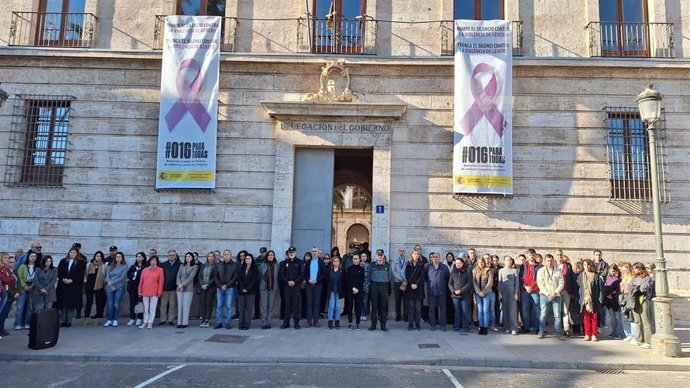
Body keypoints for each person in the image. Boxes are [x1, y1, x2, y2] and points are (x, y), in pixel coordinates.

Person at [536, 254, 564, 340]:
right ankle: (541, 332)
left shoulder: (558, 270)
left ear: (553, 261)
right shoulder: (540, 271)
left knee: (557, 315)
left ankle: (557, 333)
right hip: (544, 295)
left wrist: (555, 292)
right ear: (545, 261)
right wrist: (548, 294)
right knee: (543, 314)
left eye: (551, 260)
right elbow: (540, 284)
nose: (550, 262)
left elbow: (561, 283)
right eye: (548, 261)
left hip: (556, 295)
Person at [56, 248, 86, 327]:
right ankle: (63, 321)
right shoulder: (63, 261)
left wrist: (72, 280)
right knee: (63, 304)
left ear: (77, 254)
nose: (72, 254)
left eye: (74, 253)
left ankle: (69, 321)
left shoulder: (80, 262)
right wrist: (63, 279)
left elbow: (80, 274)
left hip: (74, 286)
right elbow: (59, 271)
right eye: (71, 252)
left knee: (71, 304)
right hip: (63, 285)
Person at [577, 259, 604, 341]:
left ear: (591, 265)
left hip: (594, 299)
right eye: (585, 264)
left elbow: (601, 288)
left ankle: (594, 334)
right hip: (585, 299)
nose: (587, 266)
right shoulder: (580, 276)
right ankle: (587, 334)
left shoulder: (596, 275)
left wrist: (600, 298)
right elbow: (578, 287)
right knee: (586, 317)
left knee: (594, 317)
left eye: (588, 264)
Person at [629, 262, 653, 349]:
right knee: (637, 320)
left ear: (640, 268)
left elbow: (644, 288)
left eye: (635, 268)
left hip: (643, 299)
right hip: (635, 299)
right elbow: (630, 287)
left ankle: (648, 341)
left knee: (645, 320)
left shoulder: (647, 278)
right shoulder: (634, 278)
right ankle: (639, 339)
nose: (633, 270)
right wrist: (636, 287)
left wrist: (637, 287)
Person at [425, 252, 450, 331]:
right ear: (431, 258)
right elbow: (425, 277)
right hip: (432, 291)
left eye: (436, 257)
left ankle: (443, 325)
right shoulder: (428, 267)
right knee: (431, 309)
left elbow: (448, 278)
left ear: (440, 258)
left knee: (442, 309)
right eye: (433, 257)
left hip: (442, 292)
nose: (434, 258)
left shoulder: (444, 267)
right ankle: (432, 324)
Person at [280, 246, 304, 329]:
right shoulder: (284, 262)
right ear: (288, 253)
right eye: (290, 252)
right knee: (287, 305)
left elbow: (302, 274)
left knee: (296, 305)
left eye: (293, 252)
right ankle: (286, 323)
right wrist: (288, 281)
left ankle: (296, 323)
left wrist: (295, 281)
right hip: (287, 286)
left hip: (296, 286)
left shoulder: (300, 262)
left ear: (295, 253)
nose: (291, 253)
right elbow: (282, 274)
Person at [448, 255, 473, 335]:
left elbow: (469, 283)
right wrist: (454, 291)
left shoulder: (467, 271)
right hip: (455, 296)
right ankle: (457, 327)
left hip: (465, 295)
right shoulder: (453, 272)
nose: (458, 264)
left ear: (463, 263)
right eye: (456, 263)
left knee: (465, 312)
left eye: (459, 263)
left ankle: (466, 328)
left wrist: (461, 291)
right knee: (457, 312)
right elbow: (449, 283)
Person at [368, 249, 391, 331]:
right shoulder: (372, 265)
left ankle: (383, 326)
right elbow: (369, 276)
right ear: (376, 256)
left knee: (383, 307)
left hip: (383, 286)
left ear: (383, 256)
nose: (380, 257)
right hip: (374, 286)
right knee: (374, 307)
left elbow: (389, 278)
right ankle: (373, 326)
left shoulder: (387, 265)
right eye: (378, 255)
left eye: (381, 255)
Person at [138, 255, 164, 329]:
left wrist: (159, 292)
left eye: (155, 260)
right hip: (145, 291)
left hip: (154, 292)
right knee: (146, 308)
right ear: (149, 261)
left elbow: (161, 282)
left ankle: (150, 322)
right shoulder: (145, 270)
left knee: (152, 308)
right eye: (152, 260)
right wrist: (139, 291)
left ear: (157, 262)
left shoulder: (160, 270)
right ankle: (145, 322)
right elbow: (141, 281)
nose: (153, 262)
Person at [14, 250, 38, 330]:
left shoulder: (37, 267)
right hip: (23, 288)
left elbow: (37, 278)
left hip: (32, 287)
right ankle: (18, 323)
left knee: (29, 307)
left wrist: (32, 285)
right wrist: (24, 286)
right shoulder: (23, 266)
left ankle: (27, 323)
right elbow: (19, 277)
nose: (33, 258)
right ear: (28, 257)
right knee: (20, 306)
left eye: (35, 256)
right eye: (31, 256)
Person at [518, 249, 541, 333]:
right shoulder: (523, 265)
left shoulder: (539, 266)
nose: (531, 256)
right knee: (525, 310)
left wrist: (532, 287)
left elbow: (539, 279)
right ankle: (526, 327)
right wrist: (526, 287)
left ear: (535, 255)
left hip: (535, 291)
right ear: (527, 255)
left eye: (533, 255)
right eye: (530, 255)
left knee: (536, 310)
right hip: (525, 291)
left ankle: (537, 328)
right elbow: (520, 278)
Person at [214, 249, 238, 329]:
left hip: (229, 288)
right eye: (224, 254)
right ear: (222, 256)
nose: (226, 256)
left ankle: (228, 322)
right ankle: (219, 322)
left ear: (231, 255)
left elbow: (235, 278)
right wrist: (220, 286)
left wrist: (226, 286)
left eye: (228, 254)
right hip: (219, 288)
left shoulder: (234, 265)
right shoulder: (219, 265)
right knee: (219, 306)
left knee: (228, 306)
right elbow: (215, 276)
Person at [104, 251, 128, 327]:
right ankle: (109, 320)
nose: (118, 258)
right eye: (117, 257)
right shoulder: (111, 265)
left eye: (120, 257)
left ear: (122, 258)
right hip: (109, 287)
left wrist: (112, 283)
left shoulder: (124, 266)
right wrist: (109, 284)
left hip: (119, 287)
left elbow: (122, 277)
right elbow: (107, 276)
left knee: (116, 304)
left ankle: (115, 319)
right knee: (110, 304)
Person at [473, 255, 495, 335]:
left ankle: (485, 327)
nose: (481, 263)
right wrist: (478, 292)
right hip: (478, 293)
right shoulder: (475, 270)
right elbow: (474, 282)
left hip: (487, 293)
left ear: (484, 262)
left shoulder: (488, 270)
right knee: (480, 310)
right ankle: (481, 327)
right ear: (477, 263)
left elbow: (490, 283)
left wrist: (484, 292)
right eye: (479, 262)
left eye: (482, 262)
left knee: (485, 310)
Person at [175, 252, 198, 329]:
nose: (187, 258)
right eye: (186, 256)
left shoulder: (195, 267)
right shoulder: (182, 266)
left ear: (192, 258)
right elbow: (178, 275)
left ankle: (184, 322)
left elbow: (191, 277)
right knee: (180, 305)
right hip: (179, 288)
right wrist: (178, 283)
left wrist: (183, 284)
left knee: (186, 306)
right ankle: (179, 322)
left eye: (189, 256)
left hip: (188, 288)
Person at [304, 248, 326, 327]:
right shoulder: (308, 262)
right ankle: (309, 321)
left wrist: (317, 280)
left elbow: (324, 274)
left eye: (315, 251)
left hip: (318, 285)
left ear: (318, 253)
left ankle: (316, 321)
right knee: (309, 303)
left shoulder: (321, 263)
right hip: (309, 285)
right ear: (311, 252)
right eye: (313, 251)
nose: (314, 253)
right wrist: (308, 280)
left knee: (317, 303)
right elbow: (304, 273)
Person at [84, 251, 107, 325]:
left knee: (99, 303)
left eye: (100, 256)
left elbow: (105, 276)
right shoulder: (89, 265)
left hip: (99, 286)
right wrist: (85, 282)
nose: (98, 257)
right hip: (89, 285)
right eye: (97, 256)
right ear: (94, 256)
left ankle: (98, 319)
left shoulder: (104, 266)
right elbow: (85, 275)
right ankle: (86, 319)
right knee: (89, 302)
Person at [556, 251, 576, 337]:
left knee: (565, 310)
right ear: (555, 256)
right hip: (556, 291)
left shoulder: (568, 265)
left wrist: (572, 291)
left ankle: (566, 329)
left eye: (560, 254)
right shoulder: (553, 265)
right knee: (556, 311)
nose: (559, 256)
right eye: (557, 255)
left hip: (566, 290)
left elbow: (571, 278)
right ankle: (556, 329)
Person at [236, 253, 258, 330]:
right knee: (241, 308)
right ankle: (241, 324)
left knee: (248, 309)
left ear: (252, 260)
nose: (247, 260)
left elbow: (254, 280)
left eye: (249, 258)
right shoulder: (242, 268)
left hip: (251, 291)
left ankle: (247, 324)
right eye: (246, 259)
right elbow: (239, 279)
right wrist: (242, 288)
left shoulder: (255, 268)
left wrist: (247, 289)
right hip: (241, 291)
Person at [498, 256, 519, 335]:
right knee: (505, 310)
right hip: (503, 292)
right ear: (504, 261)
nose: (509, 261)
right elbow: (499, 283)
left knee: (512, 311)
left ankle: (514, 328)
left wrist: (516, 293)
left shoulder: (514, 270)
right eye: (507, 260)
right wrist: (499, 293)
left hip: (512, 292)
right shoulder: (501, 270)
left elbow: (517, 283)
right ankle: (507, 327)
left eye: (510, 260)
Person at [159, 250, 181, 326]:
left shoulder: (180, 264)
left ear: (175, 256)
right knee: (163, 305)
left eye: (173, 255)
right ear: (168, 256)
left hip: (174, 288)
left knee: (172, 305)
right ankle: (163, 320)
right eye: (170, 255)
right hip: (164, 288)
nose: (171, 256)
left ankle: (171, 319)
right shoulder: (163, 264)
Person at [404, 249, 425, 331]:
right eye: (415, 254)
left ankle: (417, 324)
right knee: (411, 308)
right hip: (410, 288)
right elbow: (407, 275)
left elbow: (422, 275)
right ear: (412, 255)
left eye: (418, 254)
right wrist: (412, 284)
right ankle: (410, 324)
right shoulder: (408, 264)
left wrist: (416, 284)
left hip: (418, 288)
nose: (416, 255)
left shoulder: (421, 264)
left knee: (417, 308)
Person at [196, 252, 217, 328]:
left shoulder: (216, 266)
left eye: (212, 256)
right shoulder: (203, 265)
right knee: (203, 303)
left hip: (210, 287)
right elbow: (199, 276)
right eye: (209, 256)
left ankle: (207, 319)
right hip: (203, 287)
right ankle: (203, 319)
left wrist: (207, 285)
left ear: (214, 257)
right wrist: (202, 284)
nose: (210, 257)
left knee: (209, 303)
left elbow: (215, 277)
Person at [259, 250, 279, 329]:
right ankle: (264, 323)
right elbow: (260, 276)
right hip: (263, 287)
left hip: (273, 288)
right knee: (264, 306)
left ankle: (269, 322)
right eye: (269, 255)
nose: (270, 256)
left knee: (271, 306)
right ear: (267, 256)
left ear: (274, 256)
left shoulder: (277, 265)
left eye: (272, 255)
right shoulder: (263, 265)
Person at [618, 261, 637, 341]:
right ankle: (628, 334)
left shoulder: (633, 278)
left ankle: (634, 336)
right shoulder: (623, 279)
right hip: (623, 297)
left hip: (630, 297)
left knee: (631, 317)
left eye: (625, 270)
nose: (624, 272)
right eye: (623, 271)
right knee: (624, 316)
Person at [0, 254, 19, 337]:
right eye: (5, 258)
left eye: (8, 258)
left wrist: (11, 278)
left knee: (5, 312)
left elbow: (11, 280)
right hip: (4, 292)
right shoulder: (1, 269)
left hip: (9, 292)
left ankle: (1, 328)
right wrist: (12, 278)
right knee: (2, 312)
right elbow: (5, 280)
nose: (7, 259)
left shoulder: (6, 268)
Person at [604, 264, 624, 339]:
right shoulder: (607, 278)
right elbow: (604, 287)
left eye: (614, 270)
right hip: (608, 300)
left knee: (618, 317)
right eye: (611, 270)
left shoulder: (618, 279)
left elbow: (617, 289)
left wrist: (612, 294)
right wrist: (606, 295)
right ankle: (614, 332)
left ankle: (619, 333)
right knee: (612, 318)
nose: (612, 272)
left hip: (615, 299)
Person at [344, 254, 365, 330]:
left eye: (356, 259)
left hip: (359, 291)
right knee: (350, 307)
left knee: (358, 307)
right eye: (354, 259)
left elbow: (362, 280)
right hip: (350, 290)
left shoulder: (362, 269)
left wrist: (357, 289)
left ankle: (357, 323)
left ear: (359, 260)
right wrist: (353, 288)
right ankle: (350, 323)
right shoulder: (349, 268)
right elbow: (347, 279)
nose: (355, 260)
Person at [126, 252, 147, 327]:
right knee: (132, 303)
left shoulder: (145, 267)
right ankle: (132, 318)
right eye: (137, 256)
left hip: (141, 288)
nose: (138, 258)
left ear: (143, 258)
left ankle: (140, 318)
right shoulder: (133, 266)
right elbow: (128, 274)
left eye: (139, 256)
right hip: (132, 288)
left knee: (140, 303)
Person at [325, 256, 346, 329]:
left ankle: (337, 322)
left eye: (337, 261)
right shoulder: (329, 270)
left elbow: (344, 281)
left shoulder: (342, 271)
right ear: (332, 262)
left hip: (339, 291)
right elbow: (326, 281)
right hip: (331, 291)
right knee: (331, 306)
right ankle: (330, 322)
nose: (336, 262)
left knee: (337, 307)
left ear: (339, 262)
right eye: (334, 261)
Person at [392, 246, 407, 322]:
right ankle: (398, 316)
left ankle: (405, 316)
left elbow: (408, 270)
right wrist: (399, 278)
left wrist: (404, 277)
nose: (402, 252)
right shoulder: (395, 259)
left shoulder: (407, 260)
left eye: (403, 251)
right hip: (397, 282)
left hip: (405, 282)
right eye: (400, 251)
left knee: (405, 299)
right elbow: (393, 270)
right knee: (397, 300)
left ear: (405, 252)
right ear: (398, 251)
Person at [489, 255, 502, 330]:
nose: (495, 262)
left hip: (500, 290)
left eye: (496, 260)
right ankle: (492, 322)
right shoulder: (490, 269)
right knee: (492, 307)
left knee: (499, 306)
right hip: (492, 290)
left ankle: (498, 321)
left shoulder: (501, 268)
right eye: (493, 260)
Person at [360, 251, 371, 322]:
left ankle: (364, 314)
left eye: (364, 256)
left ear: (366, 258)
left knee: (365, 301)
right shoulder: (358, 264)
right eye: (362, 256)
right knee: (360, 300)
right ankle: (360, 314)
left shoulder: (369, 265)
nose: (363, 257)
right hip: (360, 285)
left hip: (367, 285)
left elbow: (370, 275)